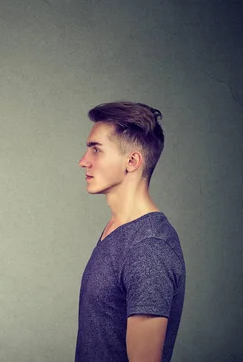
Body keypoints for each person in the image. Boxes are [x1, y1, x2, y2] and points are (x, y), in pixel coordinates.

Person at [75, 101, 186, 362]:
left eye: (96, 150)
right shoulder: (119, 230)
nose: (83, 161)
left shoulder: (149, 248)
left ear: (132, 160)